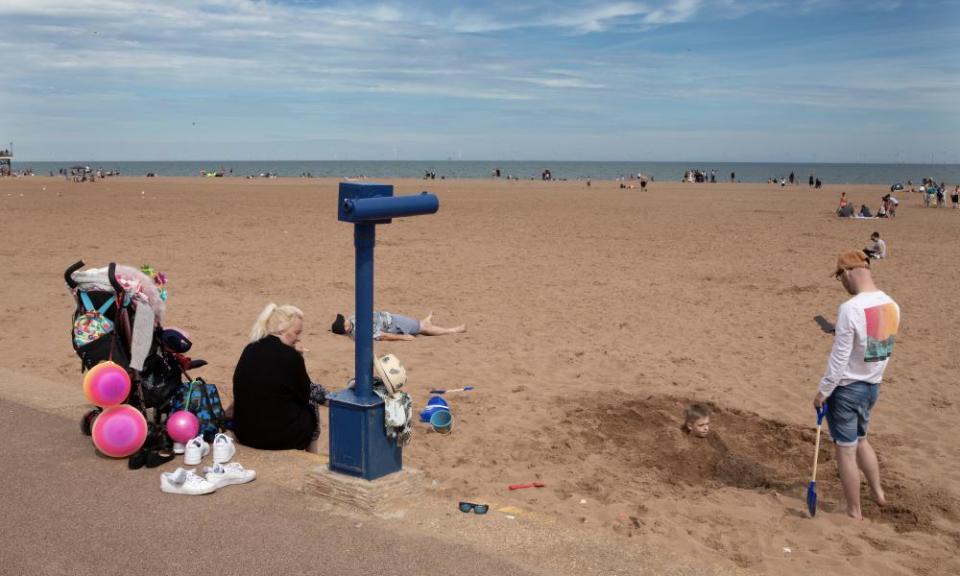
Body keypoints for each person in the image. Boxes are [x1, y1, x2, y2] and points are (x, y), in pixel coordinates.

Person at [815, 250, 900, 519]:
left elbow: (840, 358)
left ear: (848, 273)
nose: (841, 283)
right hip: (872, 386)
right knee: (862, 440)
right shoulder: (890, 304)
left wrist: (823, 391)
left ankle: (854, 510)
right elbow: (876, 348)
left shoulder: (850, 308)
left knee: (846, 451)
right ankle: (878, 492)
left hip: (847, 389)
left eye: (840, 277)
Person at [232, 303, 325, 453]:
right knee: (312, 402)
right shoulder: (291, 357)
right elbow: (306, 393)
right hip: (279, 439)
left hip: (245, 433)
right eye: (296, 333)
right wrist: (299, 357)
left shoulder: (251, 347)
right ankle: (313, 454)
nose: (298, 338)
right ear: (282, 330)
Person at [331, 311, 465, 341]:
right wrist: (404, 337)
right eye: (344, 321)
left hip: (391, 319)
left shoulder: (352, 322)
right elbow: (382, 336)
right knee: (422, 328)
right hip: (393, 324)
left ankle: (425, 322)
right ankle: (452, 330)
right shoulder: (360, 331)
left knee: (418, 325)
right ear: (346, 328)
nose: (346, 319)